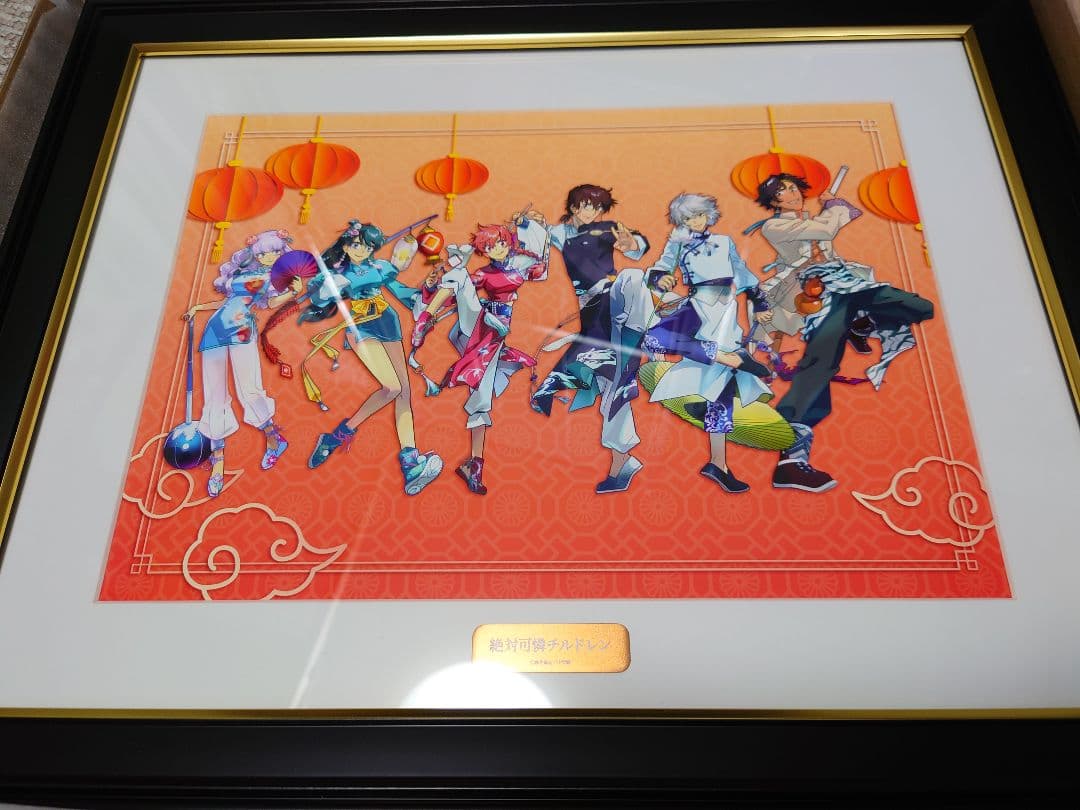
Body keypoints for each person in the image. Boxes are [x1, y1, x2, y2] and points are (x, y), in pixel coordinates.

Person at [749, 172, 935, 491]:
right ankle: (791, 461)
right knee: (819, 364)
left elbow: (838, 221)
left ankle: (862, 323)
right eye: (782, 191)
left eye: (793, 187)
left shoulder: (812, 218)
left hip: (847, 282)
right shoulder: (774, 226)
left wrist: (832, 208)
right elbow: (826, 228)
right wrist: (834, 208)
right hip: (817, 293)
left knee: (918, 306)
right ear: (773, 201)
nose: (792, 193)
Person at [517, 184, 655, 494]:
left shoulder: (607, 229)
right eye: (584, 205)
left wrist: (632, 242)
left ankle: (650, 333)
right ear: (573, 206)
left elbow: (636, 246)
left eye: (596, 207)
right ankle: (622, 462)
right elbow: (533, 247)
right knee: (613, 383)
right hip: (593, 316)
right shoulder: (559, 233)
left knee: (633, 276)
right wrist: (526, 223)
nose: (590, 211)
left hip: (614, 300)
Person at [641, 193, 776, 492]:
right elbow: (660, 268)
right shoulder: (677, 242)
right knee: (655, 337)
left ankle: (718, 463)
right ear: (681, 221)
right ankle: (727, 358)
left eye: (700, 215)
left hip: (725, 309)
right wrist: (660, 279)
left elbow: (743, 273)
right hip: (697, 305)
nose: (696, 221)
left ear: (709, 215)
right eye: (689, 217)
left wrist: (760, 303)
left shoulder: (725, 242)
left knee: (721, 391)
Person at [302, 219, 442, 496]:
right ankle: (336, 437)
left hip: (387, 321)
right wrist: (328, 288)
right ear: (345, 246)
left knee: (404, 392)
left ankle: (411, 462)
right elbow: (318, 298)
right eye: (356, 245)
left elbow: (399, 290)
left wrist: (425, 299)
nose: (361, 250)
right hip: (360, 326)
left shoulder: (379, 268)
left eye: (366, 246)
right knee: (391, 387)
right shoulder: (338, 273)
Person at [411, 224, 545, 495]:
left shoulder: (519, 266)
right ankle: (424, 318)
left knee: (481, 401)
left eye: (501, 243)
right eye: (490, 246)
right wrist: (431, 293)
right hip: (478, 324)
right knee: (460, 275)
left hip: (493, 335)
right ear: (484, 251)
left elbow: (540, 266)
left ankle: (473, 466)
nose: (498, 249)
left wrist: (526, 234)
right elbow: (457, 294)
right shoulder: (484, 273)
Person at [182, 228, 301, 497]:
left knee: (249, 389)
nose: (270, 256)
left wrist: (294, 292)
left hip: (242, 330)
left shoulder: (273, 277)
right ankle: (218, 462)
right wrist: (198, 308)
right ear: (255, 253)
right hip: (215, 331)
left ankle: (274, 439)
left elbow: (271, 302)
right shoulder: (243, 273)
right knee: (214, 395)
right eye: (265, 251)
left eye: (275, 251)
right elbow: (228, 302)